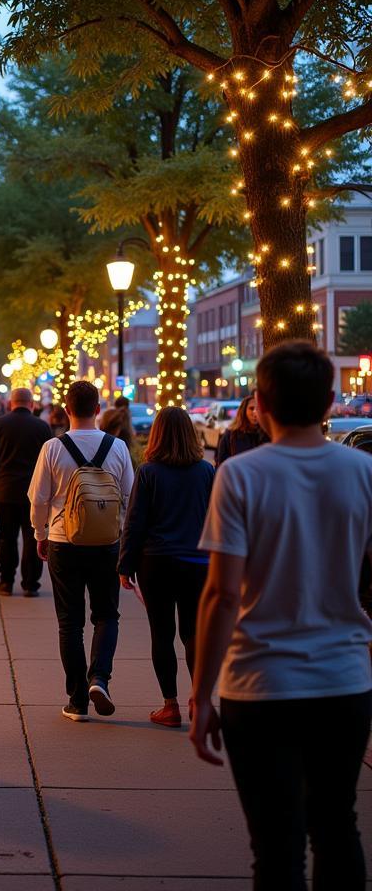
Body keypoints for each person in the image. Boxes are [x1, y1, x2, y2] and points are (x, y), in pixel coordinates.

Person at [191, 341, 372, 890]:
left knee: (276, 847)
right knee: (338, 828)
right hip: (343, 681)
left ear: (260, 403)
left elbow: (221, 595)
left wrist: (200, 696)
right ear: (331, 401)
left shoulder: (241, 476)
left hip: (260, 684)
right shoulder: (363, 470)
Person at [29, 380, 134, 721]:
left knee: (69, 622)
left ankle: (77, 700)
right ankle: (99, 677)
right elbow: (130, 497)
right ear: (98, 407)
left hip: (64, 540)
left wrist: (40, 533)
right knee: (106, 615)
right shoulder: (116, 447)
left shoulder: (53, 448)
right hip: (106, 543)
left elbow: (38, 499)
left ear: (67, 409)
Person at [118, 406, 214, 728]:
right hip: (197, 562)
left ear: (156, 434)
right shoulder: (205, 471)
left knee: (162, 632)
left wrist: (125, 564)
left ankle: (169, 705)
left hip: (156, 562)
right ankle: (200, 701)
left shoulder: (149, 472)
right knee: (194, 632)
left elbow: (135, 523)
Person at [0, 387, 53, 597]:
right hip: (35, 494)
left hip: (5, 491)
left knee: (7, 537)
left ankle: (6, 581)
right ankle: (30, 583)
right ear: (32, 404)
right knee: (33, 537)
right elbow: (49, 463)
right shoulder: (42, 427)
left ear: (10, 404)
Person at [214, 392, 268, 466]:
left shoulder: (267, 434)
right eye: (251, 408)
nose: (255, 413)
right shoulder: (231, 434)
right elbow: (220, 461)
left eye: (258, 409)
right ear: (244, 411)